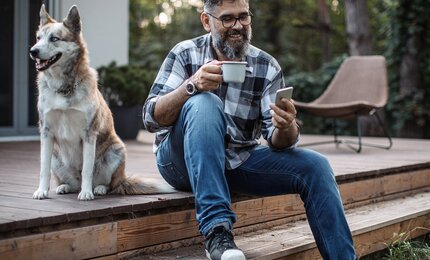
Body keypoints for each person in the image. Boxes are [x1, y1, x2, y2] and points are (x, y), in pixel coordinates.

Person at [143, 0, 356, 259]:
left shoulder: (266, 66)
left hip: (236, 161)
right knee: (204, 102)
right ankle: (217, 233)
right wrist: (192, 85)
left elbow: (279, 142)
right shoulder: (185, 53)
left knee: (316, 166)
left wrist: (286, 125)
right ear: (206, 21)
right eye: (228, 19)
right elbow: (151, 118)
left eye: (243, 17)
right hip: (179, 164)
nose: (237, 26)